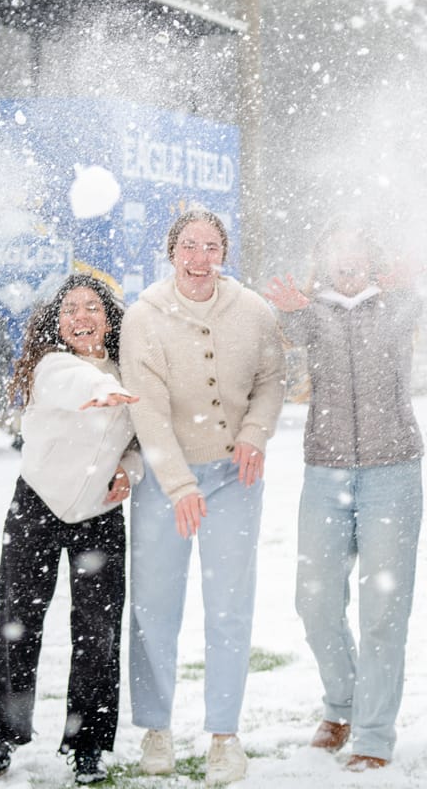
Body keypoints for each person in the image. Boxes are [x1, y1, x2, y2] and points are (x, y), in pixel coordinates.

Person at [119, 208, 286, 786]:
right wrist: (179, 484)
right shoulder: (143, 317)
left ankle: (224, 735)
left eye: (210, 245)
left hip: (234, 478)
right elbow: (146, 406)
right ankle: (156, 729)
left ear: (224, 251)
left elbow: (271, 380)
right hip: (168, 482)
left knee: (229, 607)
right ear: (172, 252)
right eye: (188, 245)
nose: (199, 258)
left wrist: (254, 433)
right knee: (153, 606)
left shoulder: (254, 311)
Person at [261, 216, 423, 771]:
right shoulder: (314, 312)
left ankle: (373, 732)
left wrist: (405, 284)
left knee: (384, 610)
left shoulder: (397, 304)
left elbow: (407, 311)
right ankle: (344, 701)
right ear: (324, 262)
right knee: (315, 601)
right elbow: (298, 331)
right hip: (325, 474)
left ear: (371, 259)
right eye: (334, 254)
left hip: (392, 472)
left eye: (354, 252)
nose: (345, 263)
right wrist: (290, 308)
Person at [0, 274, 141, 785]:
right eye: (69, 308)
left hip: (99, 515)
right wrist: (104, 388)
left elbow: (139, 443)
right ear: (57, 320)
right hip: (37, 508)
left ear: (110, 319)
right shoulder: (51, 366)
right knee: (19, 622)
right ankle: (5, 732)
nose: (80, 316)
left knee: (98, 633)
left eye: (92, 307)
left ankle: (87, 744)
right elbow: (75, 382)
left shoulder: (131, 372)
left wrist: (127, 471)